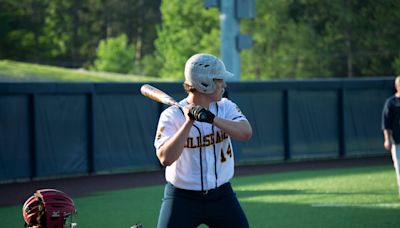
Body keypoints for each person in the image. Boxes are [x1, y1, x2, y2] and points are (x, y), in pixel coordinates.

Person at [154, 53, 253, 228]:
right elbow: (165, 158)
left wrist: (211, 118)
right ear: (205, 83)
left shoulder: (225, 107)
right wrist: (188, 122)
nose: (224, 84)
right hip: (182, 198)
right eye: (220, 80)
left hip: (221, 196)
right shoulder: (171, 115)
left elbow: (245, 133)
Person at [382, 75, 400, 197]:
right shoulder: (391, 103)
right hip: (397, 141)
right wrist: (387, 139)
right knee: (399, 169)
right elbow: (386, 123)